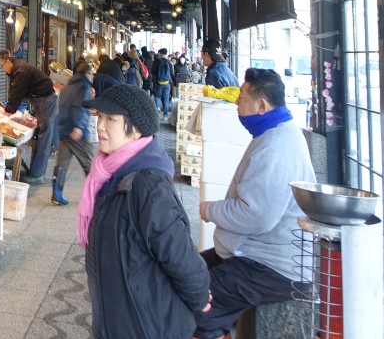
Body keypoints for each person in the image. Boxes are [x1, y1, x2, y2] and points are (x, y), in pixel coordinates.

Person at [79, 84, 211, 339]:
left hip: (146, 323)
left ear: (137, 129)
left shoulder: (148, 184)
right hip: (118, 316)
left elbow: (178, 253)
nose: (100, 126)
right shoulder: (109, 172)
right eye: (100, 117)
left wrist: (198, 296)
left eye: (111, 119)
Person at [194, 68, 315, 339]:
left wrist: (209, 210)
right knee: (186, 272)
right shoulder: (275, 132)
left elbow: (256, 216)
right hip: (249, 251)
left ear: (261, 106)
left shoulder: (276, 147)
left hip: (271, 266)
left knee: (196, 304)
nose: (237, 102)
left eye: (242, 97)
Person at [0, 48, 57, 185]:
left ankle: (37, 175)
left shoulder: (20, 71)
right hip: (42, 101)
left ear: (8, 62)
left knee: (43, 137)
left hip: (46, 102)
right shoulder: (18, 69)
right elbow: (16, 93)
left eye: (2, 66)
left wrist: (7, 112)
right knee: (40, 135)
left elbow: (17, 94)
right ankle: (35, 172)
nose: (3, 69)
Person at [50, 60, 95, 206]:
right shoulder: (84, 87)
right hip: (77, 132)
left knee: (61, 164)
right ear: (87, 74)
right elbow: (81, 107)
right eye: (92, 74)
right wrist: (79, 127)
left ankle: (56, 194)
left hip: (64, 131)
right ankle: (94, 196)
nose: (93, 77)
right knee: (90, 164)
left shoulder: (67, 87)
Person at [152, 47, 174, 116]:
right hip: (167, 83)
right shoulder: (169, 62)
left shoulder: (157, 61)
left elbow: (153, 71)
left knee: (157, 96)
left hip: (158, 82)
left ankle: (158, 109)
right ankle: (165, 115)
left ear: (160, 53)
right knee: (166, 99)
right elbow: (172, 73)